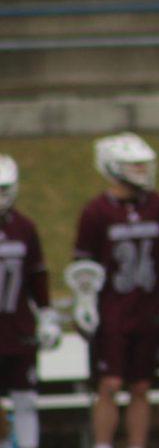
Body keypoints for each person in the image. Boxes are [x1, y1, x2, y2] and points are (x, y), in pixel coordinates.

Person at [69, 133, 159, 448]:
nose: (142, 171)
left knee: (141, 386)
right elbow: (83, 265)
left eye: (143, 165)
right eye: (133, 165)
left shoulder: (158, 206)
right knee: (109, 385)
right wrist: (85, 303)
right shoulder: (96, 211)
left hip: (147, 309)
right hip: (112, 313)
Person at [0, 154, 60, 448]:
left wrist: (47, 314)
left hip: (18, 328)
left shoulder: (23, 227)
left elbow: (37, 275)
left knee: (25, 399)